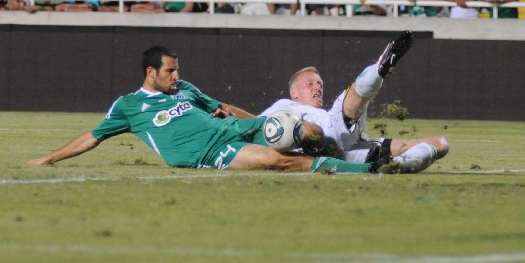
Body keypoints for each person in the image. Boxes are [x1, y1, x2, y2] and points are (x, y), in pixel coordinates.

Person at [28, 46, 399, 174]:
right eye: (170, 70)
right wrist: (49, 159)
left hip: (234, 129)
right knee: (278, 160)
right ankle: (366, 168)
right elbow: (91, 137)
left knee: (307, 132)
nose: (177, 75)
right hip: (209, 152)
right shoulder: (128, 107)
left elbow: (222, 108)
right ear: (150, 72)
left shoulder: (186, 89)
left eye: (178, 69)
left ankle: (343, 151)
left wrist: (261, 122)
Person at [261, 32, 446, 169]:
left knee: (440, 144)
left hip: (349, 150)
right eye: (310, 84)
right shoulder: (283, 106)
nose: (317, 87)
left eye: (320, 84)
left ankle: (397, 166)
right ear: (293, 92)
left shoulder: (320, 114)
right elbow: (254, 124)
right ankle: (378, 69)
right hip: (326, 138)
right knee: (348, 99)